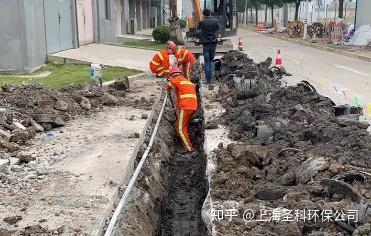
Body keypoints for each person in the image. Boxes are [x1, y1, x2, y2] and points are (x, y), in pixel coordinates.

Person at [166, 66, 198, 152]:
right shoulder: (186, 81)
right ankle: (188, 144)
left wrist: (168, 88)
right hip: (193, 106)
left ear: (172, 75)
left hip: (186, 107)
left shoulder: (175, 80)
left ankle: (189, 148)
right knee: (184, 125)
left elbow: (168, 86)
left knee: (180, 128)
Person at [197, 9, 219, 84]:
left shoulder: (202, 22)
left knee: (207, 62)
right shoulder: (215, 21)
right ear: (210, 14)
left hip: (206, 44)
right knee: (211, 60)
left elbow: (198, 31)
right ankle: (212, 79)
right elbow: (217, 29)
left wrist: (200, 38)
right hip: (213, 43)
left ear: (203, 15)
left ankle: (208, 80)